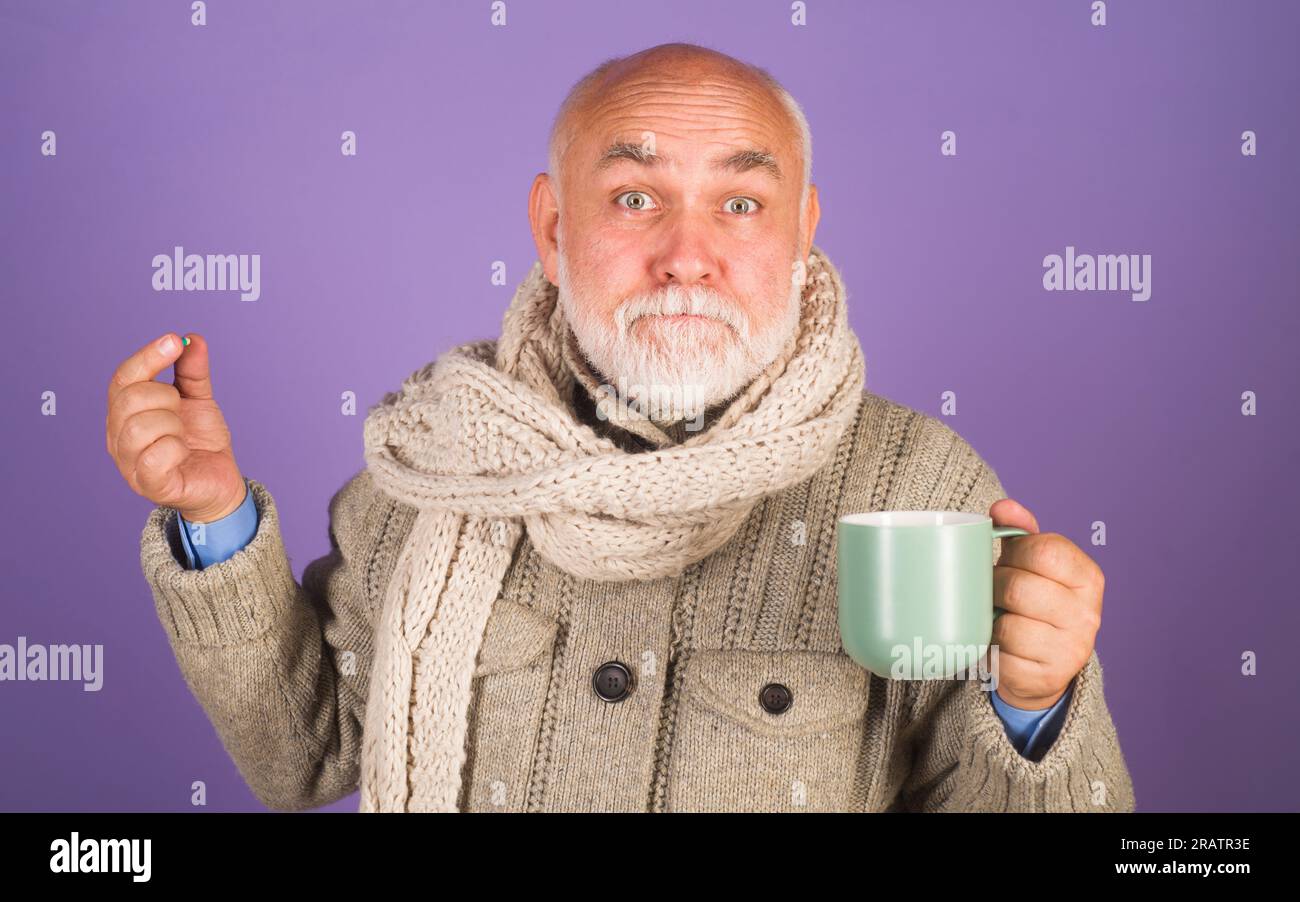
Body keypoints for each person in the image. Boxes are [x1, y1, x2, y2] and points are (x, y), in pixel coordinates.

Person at [106, 42, 1134, 812]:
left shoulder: (924, 491)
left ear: (801, 235)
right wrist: (215, 518)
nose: (688, 254)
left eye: (739, 204)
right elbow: (305, 752)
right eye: (636, 195)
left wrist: (1034, 703)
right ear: (554, 227)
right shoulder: (431, 467)